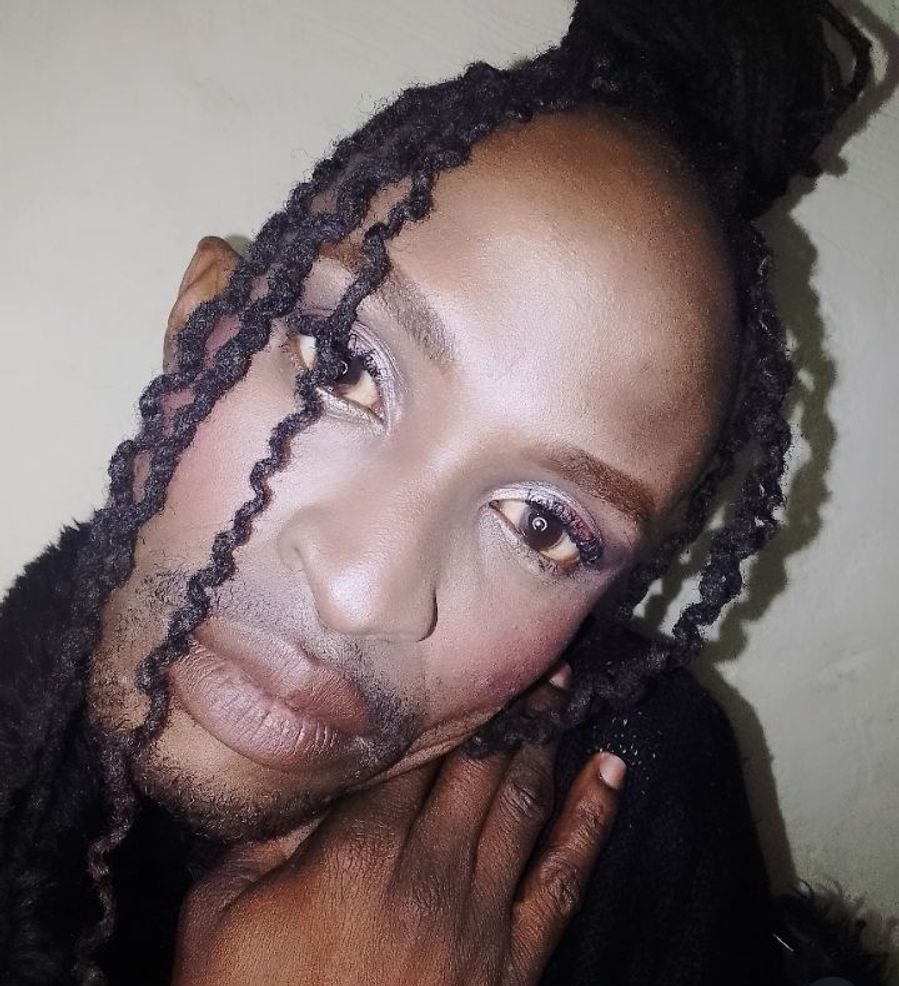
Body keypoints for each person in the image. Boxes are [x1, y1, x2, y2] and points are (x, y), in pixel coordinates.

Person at [0, 0, 891, 984]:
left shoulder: (643, 796)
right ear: (198, 318)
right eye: (344, 367)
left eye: (540, 524)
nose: (361, 592)